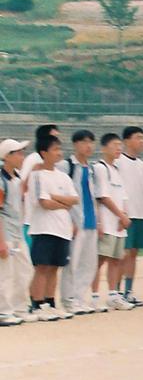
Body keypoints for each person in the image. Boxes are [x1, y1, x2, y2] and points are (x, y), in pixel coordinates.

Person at [27, 136, 78, 320]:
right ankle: (38, 304)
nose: (59, 152)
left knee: (55, 266)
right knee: (42, 266)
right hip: (44, 228)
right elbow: (44, 202)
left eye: (59, 149)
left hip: (62, 228)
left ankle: (50, 302)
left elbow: (74, 199)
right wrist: (63, 203)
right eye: (55, 149)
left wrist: (57, 197)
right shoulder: (37, 176)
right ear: (44, 153)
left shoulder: (63, 176)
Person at [56, 130, 103, 315]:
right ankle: (68, 300)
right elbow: (62, 194)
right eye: (84, 142)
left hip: (90, 221)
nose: (88, 146)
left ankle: (79, 297)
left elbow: (93, 197)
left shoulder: (90, 168)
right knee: (72, 263)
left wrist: (98, 222)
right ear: (75, 144)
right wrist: (68, 220)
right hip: (75, 221)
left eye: (91, 142)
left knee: (88, 263)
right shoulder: (67, 166)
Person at [93, 133, 134, 311]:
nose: (118, 148)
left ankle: (112, 294)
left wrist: (124, 215)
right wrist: (120, 215)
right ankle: (94, 296)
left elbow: (122, 196)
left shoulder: (116, 169)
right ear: (104, 148)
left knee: (117, 259)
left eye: (120, 145)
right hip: (108, 221)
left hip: (118, 222)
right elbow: (103, 196)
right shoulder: (100, 168)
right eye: (114, 145)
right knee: (100, 259)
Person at [0, 139, 35, 325]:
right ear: (7, 157)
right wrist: (1, 241)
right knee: (5, 275)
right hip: (5, 234)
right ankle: (3, 311)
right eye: (19, 153)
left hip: (17, 233)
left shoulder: (16, 178)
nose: (22, 157)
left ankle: (19, 308)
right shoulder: (1, 180)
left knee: (25, 270)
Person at [115, 126, 143, 306]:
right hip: (125, 213)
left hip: (140, 213)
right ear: (127, 141)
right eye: (138, 138)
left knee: (133, 253)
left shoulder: (142, 165)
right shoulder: (119, 162)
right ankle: (116, 291)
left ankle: (129, 291)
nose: (142, 141)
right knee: (123, 253)